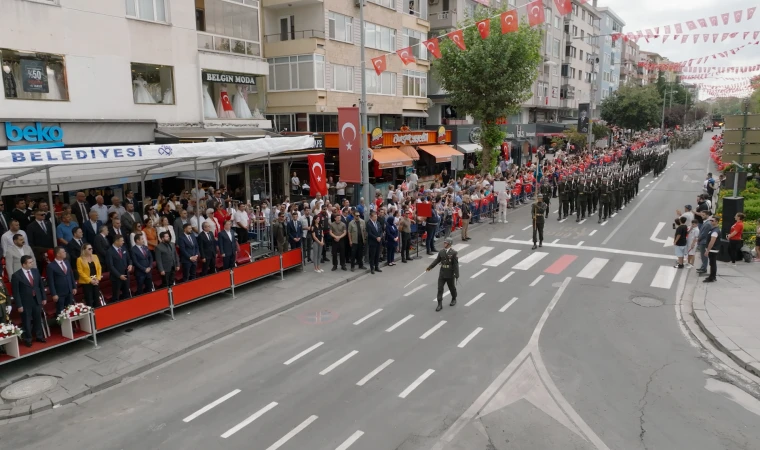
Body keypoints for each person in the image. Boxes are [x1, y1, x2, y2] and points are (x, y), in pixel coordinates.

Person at [11, 255, 47, 347]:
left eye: (32, 262)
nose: (32, 264)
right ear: (24, 264)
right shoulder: (16, 275)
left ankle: (39, 336)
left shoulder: (35, 271)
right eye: (30, 262)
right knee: (26, 321)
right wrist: (19, 305)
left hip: (36, 299)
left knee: (37, 319)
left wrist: (43, 298)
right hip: (25, 302)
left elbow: (40, 286)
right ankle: (28, 339)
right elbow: (16, 292)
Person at [426, 237, 459, 312]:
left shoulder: (454, 253)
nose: (444, 244)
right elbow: (437, 260)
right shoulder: (441, 252)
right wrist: (429, 267)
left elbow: (455, 265)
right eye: (444, 242)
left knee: (452, 288)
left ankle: (454, 298)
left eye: (446, 243)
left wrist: (456, 274)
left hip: (450, 274)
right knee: (440, 288)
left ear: (449, 244)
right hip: (442, 273)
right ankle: (439, 303)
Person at [47, 246, 77, 314]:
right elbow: (51, 281)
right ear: (58, 254)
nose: (65, 253)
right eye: (63, 252)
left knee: (70, 309)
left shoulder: (67, 262)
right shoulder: (51, 266)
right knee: (61, 311)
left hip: (69, 291)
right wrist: (54, 294)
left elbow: (71, 275)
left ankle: (71, 324)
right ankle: (62, 324)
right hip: (59, 293)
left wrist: (74, 286)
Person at [107, 235, 132, 301]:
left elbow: (129, 259)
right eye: (122, 241)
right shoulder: (110, 251)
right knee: (116, 296)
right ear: (116, 241)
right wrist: (119, 275)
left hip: (126, 274)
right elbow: (110, 266)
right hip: (116, 278)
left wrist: (130, 265)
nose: (123, 242)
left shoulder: (123, 248)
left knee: (126, 294)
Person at [703, 216, 720, 282]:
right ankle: (712, 276)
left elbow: (712, 241)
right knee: (712, 263)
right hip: (712, 249)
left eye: (712, 221)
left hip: (713, 249)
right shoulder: (713, 229)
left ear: (716, 222)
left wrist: (707, 250)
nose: (711, 221)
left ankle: (712, 277)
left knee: (712, 263)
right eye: (710, 220)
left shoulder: (715, 231)